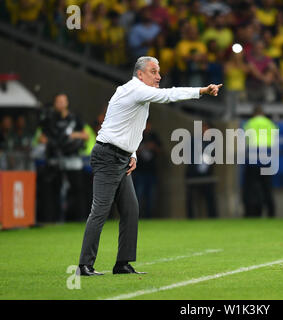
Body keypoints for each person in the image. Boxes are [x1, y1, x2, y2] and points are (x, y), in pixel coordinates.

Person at [77, 56, 222, 276]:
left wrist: (132, 153)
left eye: (159, 71)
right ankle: (84, 265)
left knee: (131, 209)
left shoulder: (135, 93)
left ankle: (122, 264)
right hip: (108, 157)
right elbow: (168, 95)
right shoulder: (136, 89)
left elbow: (123, 126)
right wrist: (201, 90)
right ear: (140, 74)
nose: (159, 76)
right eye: (154, 71)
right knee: (100, 211)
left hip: (120, 157)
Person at [36, 94, 89, 223]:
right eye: (58, 101)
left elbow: (86, 135)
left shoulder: (74, 118)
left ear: (67, 103)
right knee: (53, 190)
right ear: (54, 103)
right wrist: (52, 142)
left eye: (63, 101)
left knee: (77, 190)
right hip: (55, 159)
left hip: (72, 159)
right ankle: (52, 219)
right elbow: (41, 137)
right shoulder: (49, 118)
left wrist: (72, 135)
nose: (61, 104)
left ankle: (79, 219)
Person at [242, 105, 277, 218]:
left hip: (253, 155)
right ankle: (271, 212)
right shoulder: (269, 123)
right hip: (267, 156)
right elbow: (274, 140)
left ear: (254, 114)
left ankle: (253, 213)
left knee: (251, 187)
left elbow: (245, 140)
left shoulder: (250, 123)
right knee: (266, 186)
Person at [185, 121, 217, 219]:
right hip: (193, 174)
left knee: (210, 197)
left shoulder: (213, 142)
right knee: (191, 198)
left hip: (206, 174)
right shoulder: (194, 141)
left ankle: (213, 218)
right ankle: (191, 218)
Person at [133, 120, 162, 219]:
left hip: (152, 171)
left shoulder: (154, 136)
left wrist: (153, 147)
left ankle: (150, 216)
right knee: (139, 195)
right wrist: (140, 149)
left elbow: (161, 151)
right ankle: (138, 216)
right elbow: (130, 152)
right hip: (139, 171)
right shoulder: (136, 136)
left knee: (151, 196)